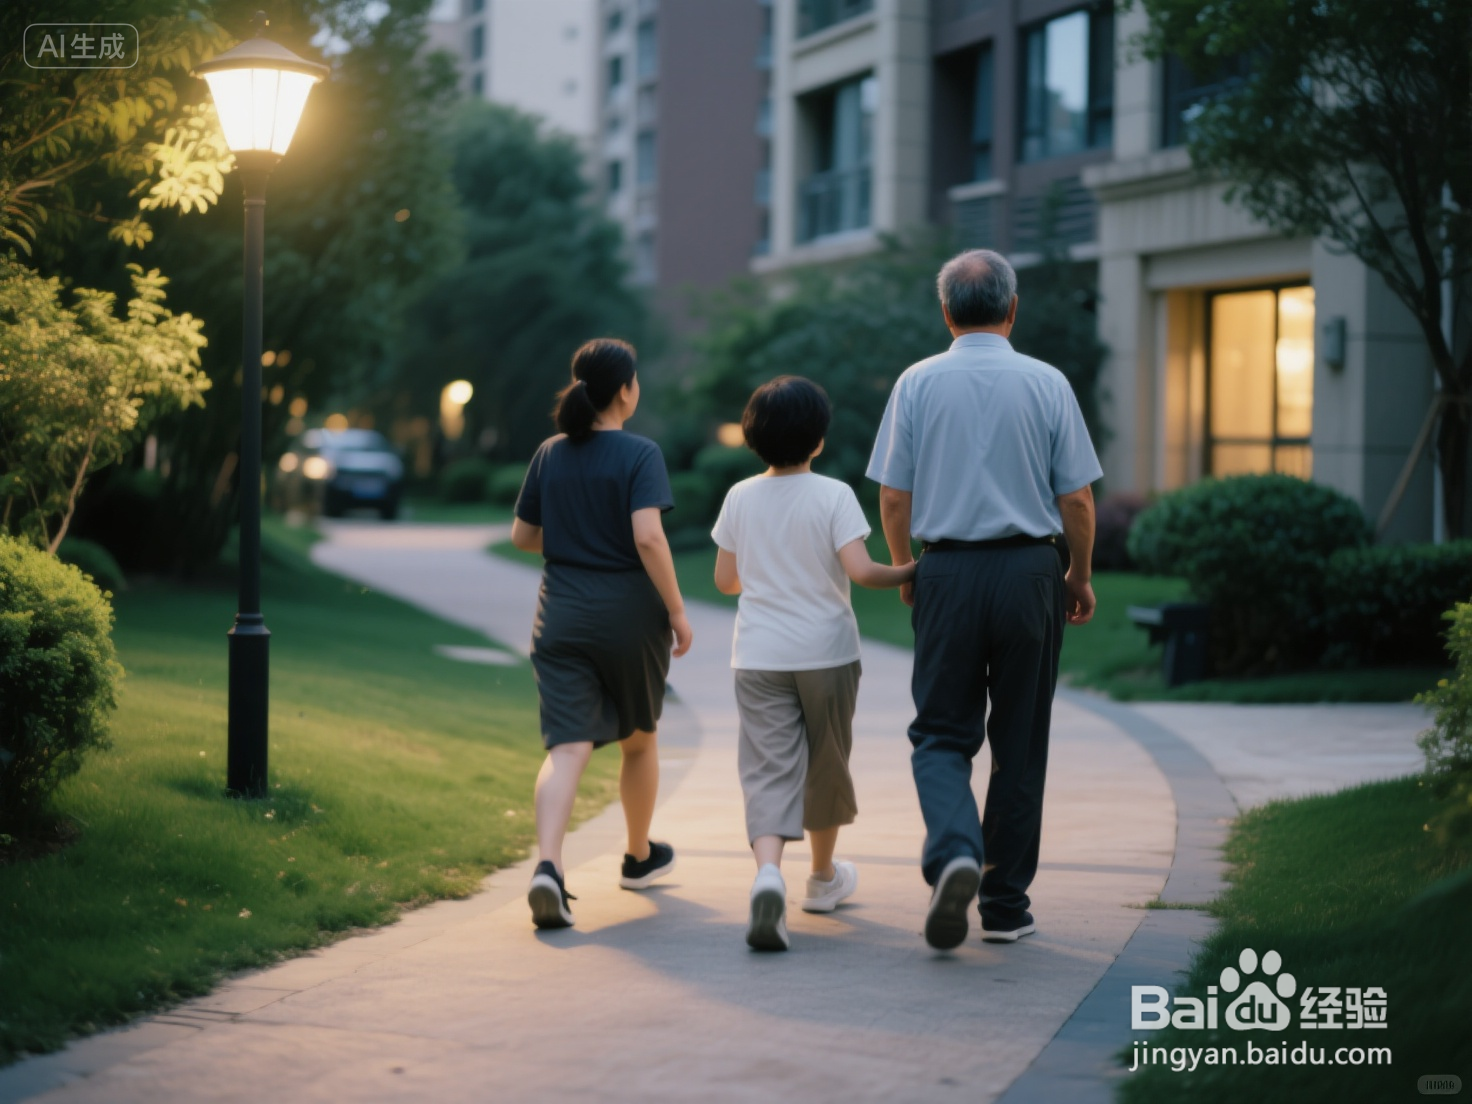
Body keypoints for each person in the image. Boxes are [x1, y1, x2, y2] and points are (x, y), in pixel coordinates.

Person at [866, 249, 1100, 951]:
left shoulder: (917, 382)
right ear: (1013, 307)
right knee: (1020, 744)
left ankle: (955, 850)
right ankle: (1003, 907)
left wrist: (909, 569)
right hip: (1032, 573)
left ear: (945, 312)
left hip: (947, 572)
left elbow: (894, 496)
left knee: (941, 734)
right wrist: (1078, 576)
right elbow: (1078, 500)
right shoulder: (1047, 382)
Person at [712, 376, 915, 951]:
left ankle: (768, 875)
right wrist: (913, 571)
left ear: (752, 437)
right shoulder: (833, 496)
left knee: (769, 766)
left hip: (757, 655)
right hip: (826, 652)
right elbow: (863, 571)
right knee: (826, 760)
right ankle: (823, 879)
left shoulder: (740, 497)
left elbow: (726, 580)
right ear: (819, 440)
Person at [511, 338, 693, 930]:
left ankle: (548, 868)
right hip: (628, 616)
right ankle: (638, 857)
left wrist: (571, 541)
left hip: (560, 612)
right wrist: (677, 609)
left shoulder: (549, 453)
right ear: (624, 390)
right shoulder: (641, 454)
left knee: (567, 748)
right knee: (639, 738)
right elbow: (648, 537)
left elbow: (523, 536)